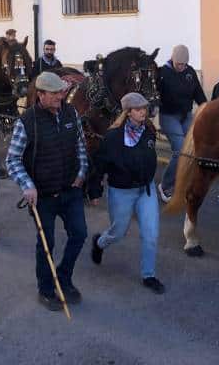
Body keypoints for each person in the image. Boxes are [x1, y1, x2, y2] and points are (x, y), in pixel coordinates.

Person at [5, 72, 88, 311]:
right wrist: (27, 185)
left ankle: (63, 277)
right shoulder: (27, 121)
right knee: (46, 243)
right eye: (54, 93)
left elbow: (80, 144)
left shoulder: (71, 113)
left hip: (70, 191)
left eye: (61, 92)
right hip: (43, 195)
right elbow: (13, 160)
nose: (59, 97)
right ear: (40, 94)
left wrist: (82, 172)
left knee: (79, 234)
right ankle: (46, 289)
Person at [90, 92, 165, 294]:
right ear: (128, 112)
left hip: (146, 190)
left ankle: (149, 275)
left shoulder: (148, 131)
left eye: (144, 109)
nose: (143, 112)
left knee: (151, 235)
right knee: (118, 232)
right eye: (139, 109)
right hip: (121, 191)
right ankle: (99, 242)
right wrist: (95, 189)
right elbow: (99, 164)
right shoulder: (113, 137)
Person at [157, 44, 207, 202]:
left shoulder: (190, 72)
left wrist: (205, 107)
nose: (182, 67)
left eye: (184, 64)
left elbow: (198, 93)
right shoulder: (162, 73)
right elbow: (154, 96)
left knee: (193, 147)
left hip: (186, 115)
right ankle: (165, 185)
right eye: (179, 64)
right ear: (172, 59)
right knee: (180, 150)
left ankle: (183, 181)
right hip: (169, 116)